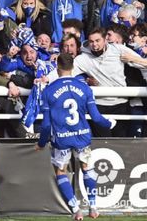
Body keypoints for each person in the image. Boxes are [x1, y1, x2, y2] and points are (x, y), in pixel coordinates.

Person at [35, 53, 116, 221]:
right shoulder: (85, 88)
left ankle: (76, 209)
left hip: (62, 138)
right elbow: (96, 117)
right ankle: (93, 207)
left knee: (61, 172)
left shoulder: (48, 91)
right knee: (86, 168)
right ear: (73, 67)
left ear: (57, 67)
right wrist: (110, 123)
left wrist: (41, 143)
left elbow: (46, 125)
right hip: (82, 135)